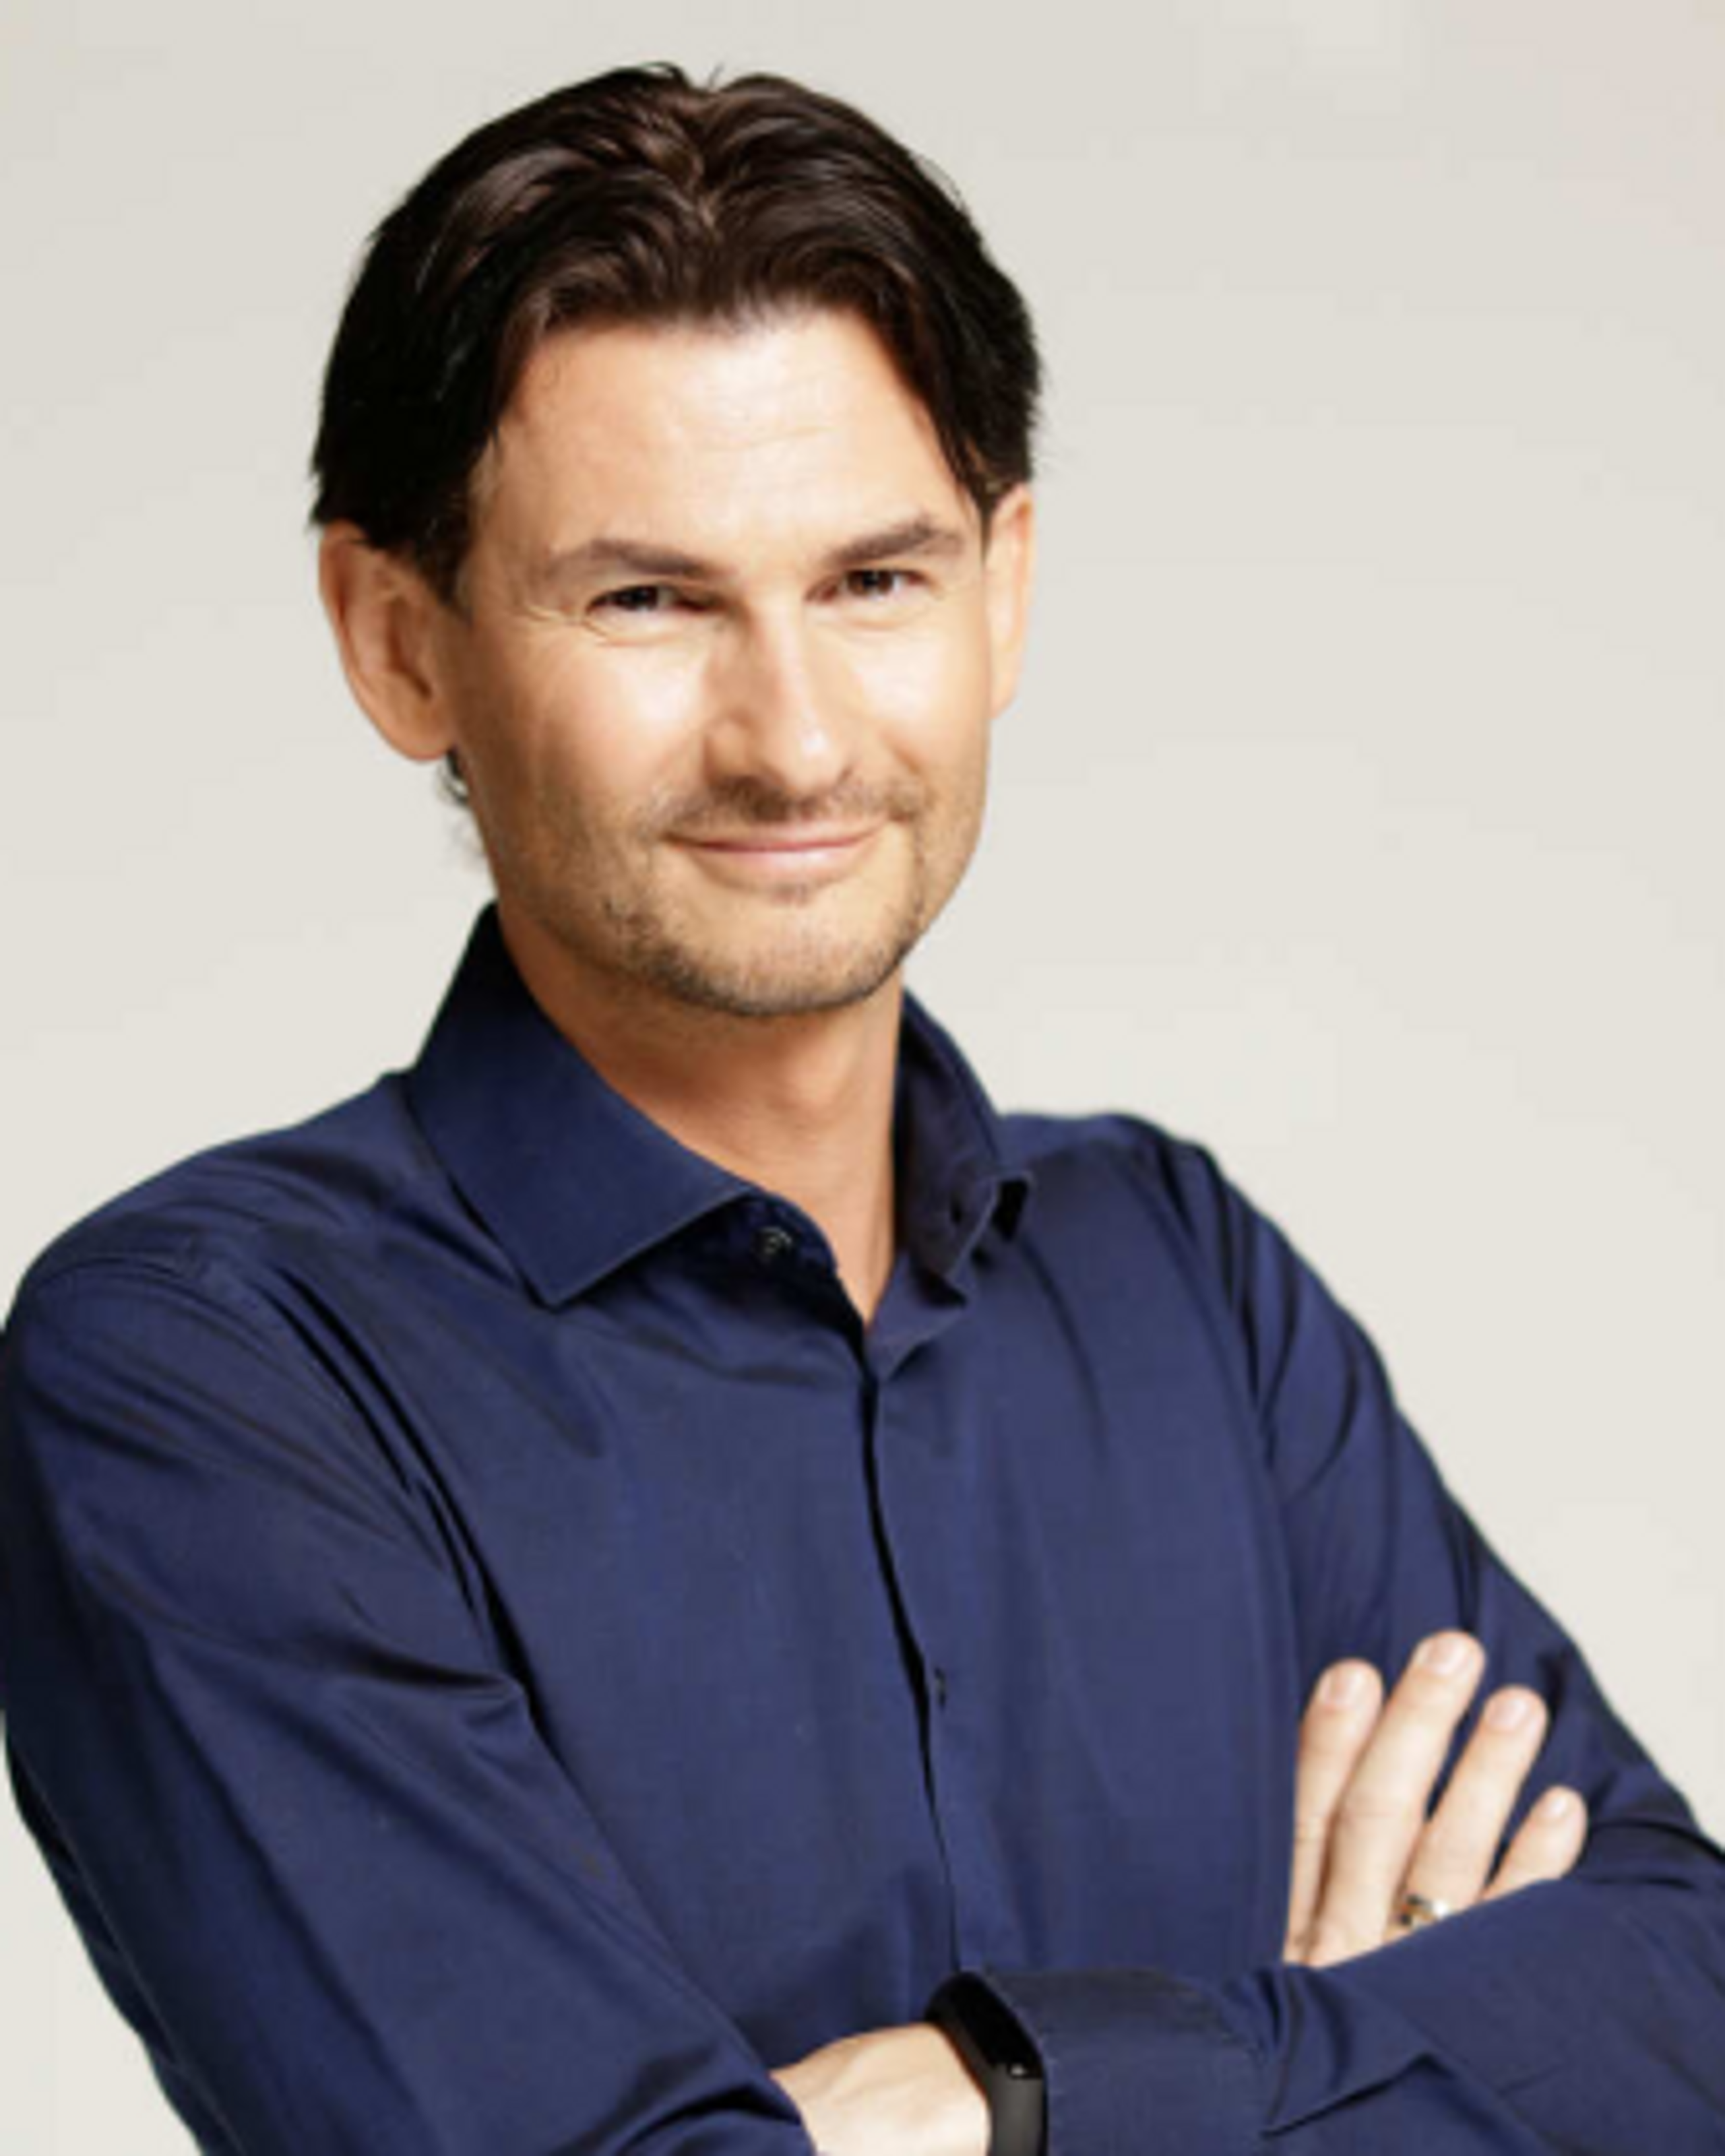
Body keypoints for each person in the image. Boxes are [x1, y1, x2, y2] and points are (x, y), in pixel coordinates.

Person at [1, 61, 1720, 2156]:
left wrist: (1011, 2094)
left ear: (1007, 587)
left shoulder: (1181, 1276)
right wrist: (1348, 2050)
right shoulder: (208, 1374)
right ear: (397, 643)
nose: (794, 741)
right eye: (649, 600)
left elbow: (1684, 2001)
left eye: (876, 582)